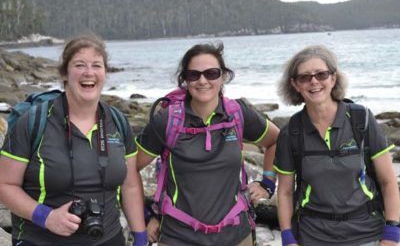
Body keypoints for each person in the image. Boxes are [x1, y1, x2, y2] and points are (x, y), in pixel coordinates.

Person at [0, 35, 148, 246]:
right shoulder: (34, 121)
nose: (89, 72)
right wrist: (46, 217)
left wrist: (140, 237)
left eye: (96, 65)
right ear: (64, 73)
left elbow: (130, 185)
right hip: (41, 240)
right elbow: (4, 184)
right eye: (80, 65)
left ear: (105, 72)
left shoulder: (117, 121)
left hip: (108, 238)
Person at [135, 42, 280, 246]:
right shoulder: (167, 121)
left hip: (237, 236)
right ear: (185, 79)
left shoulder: (238, 114)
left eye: (211, 73)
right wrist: (146, 215)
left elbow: (276, 140)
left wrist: (267, 183)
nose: (203, 81)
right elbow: (129, 170)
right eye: (194, 75)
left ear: (223, 76)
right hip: (179, 237)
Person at [274, 45, 400, 246]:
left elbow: (388, 181)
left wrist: (392, 234)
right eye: (304, 77)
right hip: (313, 236)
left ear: (333, 79)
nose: (314, 81)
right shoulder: (291, 133)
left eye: (321, 75)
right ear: (295, 85)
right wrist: (288, 239)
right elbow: (286, 192)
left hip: (367, 234)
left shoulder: (361, 119)